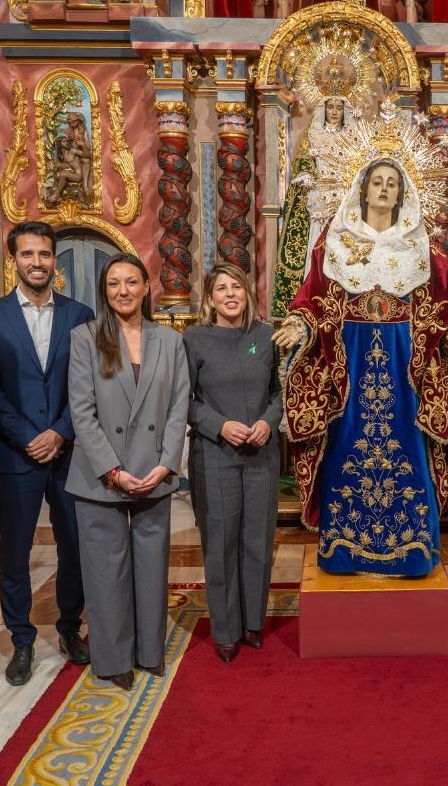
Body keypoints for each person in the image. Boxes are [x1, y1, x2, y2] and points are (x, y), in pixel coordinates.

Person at [275, 103, 448, 578]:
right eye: (378, 181)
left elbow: (446, 303)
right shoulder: (332, 242)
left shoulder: (422, 245)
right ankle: (345, 548)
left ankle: (410, 548)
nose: (385, 189)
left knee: (407, 449)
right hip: (347, 363)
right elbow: (313, 297)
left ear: (404, 192)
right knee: (345, 446)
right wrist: (301, 324)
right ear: (362, 187)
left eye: (393, 182)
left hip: (405, 365)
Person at [0, 221, 95, 687]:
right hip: (14, 454)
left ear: (54, 260)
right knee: (15, 551)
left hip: (68, 452)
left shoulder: (80, 314)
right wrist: (30, 436)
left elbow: (85, 384)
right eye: (28, 254)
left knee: (74, 547)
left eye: (45, 254)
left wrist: (60, 432)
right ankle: (21, 638)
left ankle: (69, 627)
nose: (37, 262)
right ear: (14, 259)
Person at [66, 254, 190, 691]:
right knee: (105, 573)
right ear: (105, 290)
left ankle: (149, 652)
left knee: (151, 570)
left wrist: (165, 464)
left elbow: (178, 407)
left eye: (131, 282)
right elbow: (81, 412)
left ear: (145, 288)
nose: (123, 290)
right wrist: (112, 470)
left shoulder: (170, 341)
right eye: (114, 283)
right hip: (102, 476)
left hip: (154, 473)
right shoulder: (85, 338)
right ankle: (113, 658)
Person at [184, 263, 282, 664]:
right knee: (221, 544)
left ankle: (251, 623)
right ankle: (225, 629)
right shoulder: (194, 339)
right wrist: (219, 425)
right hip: (215, 455)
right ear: (209, 298)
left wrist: (267, 422)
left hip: (261, 455)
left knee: (257, 541)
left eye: (236, 287)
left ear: (247, 294)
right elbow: (184, 400)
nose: (229, 294)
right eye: (221, 288)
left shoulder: (265, 336)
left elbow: (279, 392)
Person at [271, 96, 355, 320]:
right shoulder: (313, 134)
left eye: (339, 108)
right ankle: (314, 291)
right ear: (324, 109)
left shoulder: (352, 137)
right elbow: (303, 164)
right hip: (319, 199)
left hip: (344, 201)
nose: (335, 112)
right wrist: (307, 179)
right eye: (331, 107)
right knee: (316, 244)